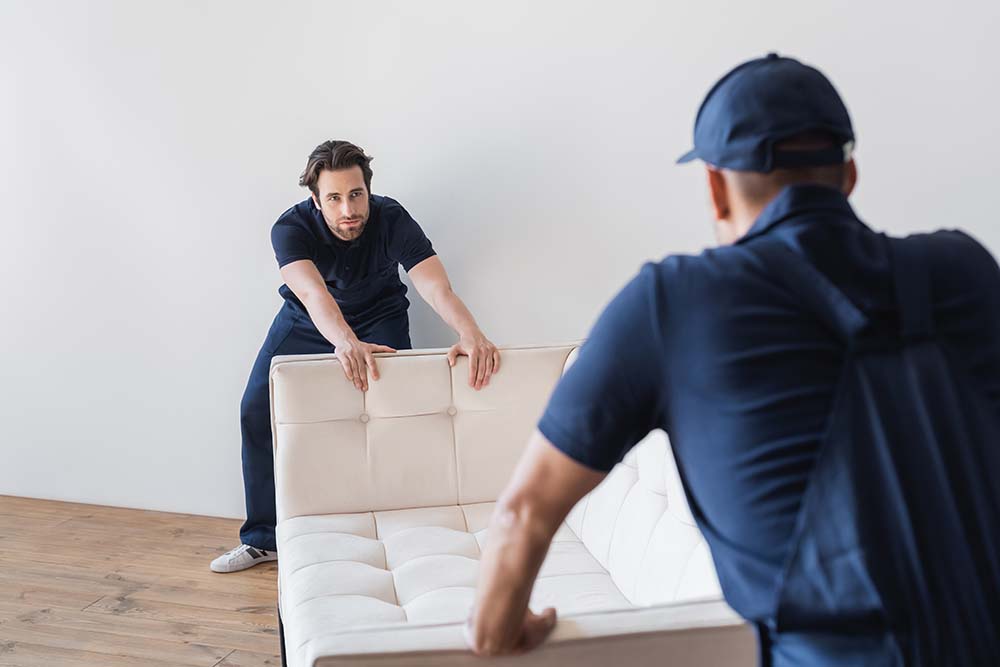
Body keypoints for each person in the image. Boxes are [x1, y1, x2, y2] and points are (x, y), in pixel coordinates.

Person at [468, 54, 1000, 665]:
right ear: (849, 174)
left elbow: (523, 512)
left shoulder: (673, 304)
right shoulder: (965, 271)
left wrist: (494, 630)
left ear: (715, 188)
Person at [211, 140, 501, 573]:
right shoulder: (289, 228)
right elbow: (311, 292)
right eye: (334, 198)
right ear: (315, 200)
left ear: (368, 190)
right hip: (307, 321)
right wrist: (344, 341)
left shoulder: (392, 218)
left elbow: (435, 285)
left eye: (356, 194)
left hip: (381, 315)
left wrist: (470, 331)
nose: (348, 208)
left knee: (394, 416)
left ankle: (402, 527)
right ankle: (263, 539)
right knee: (256, 409)